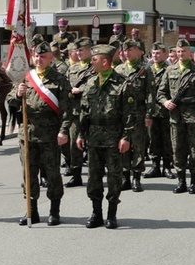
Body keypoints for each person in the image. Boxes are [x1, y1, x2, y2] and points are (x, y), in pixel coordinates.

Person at [6, 41, 72, 226]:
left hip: (49, 135)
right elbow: (10, 101)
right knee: (29, 173)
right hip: (27, 134)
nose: (39, 59)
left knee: (52, 173)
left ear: (51, 58)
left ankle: (54, 211)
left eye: (43, 56)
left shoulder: (59, 80)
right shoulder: (26, 78)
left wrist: (64, 131)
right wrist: (18, 94)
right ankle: (31, 210)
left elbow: (67, 110)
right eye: (36, 56)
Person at [77, 44, 135, 229]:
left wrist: (126, 137)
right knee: (94, 177)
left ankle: (111, 214)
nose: (91, 62)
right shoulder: (91, 82)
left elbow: (129, 114)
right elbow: (84, 111)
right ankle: (96, 213)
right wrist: (80, 134)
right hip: (94, 137)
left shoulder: (123, 83)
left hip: (114, 137)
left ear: (104, 61)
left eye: (94, 59)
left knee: (114, 177)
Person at [156, 39, 195, 194]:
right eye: (178, 51)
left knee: (193, 150)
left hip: (192, 116)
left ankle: (194, 181)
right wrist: (166, 103)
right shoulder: (169, 70)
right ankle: (181, 181)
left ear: (189, 53)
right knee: (177, 149)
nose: (180, 54)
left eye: (183, 51)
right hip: (175, 116)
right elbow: (160, 93)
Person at [115, 38, 154, 192]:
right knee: (123, 144)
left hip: (139, 112)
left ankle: (136, 176)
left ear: (138, 51)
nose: (127, 53)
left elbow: (151, 93)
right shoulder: (119, 70)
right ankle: (125, 176)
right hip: (123, 114)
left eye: (130, 50)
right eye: (125, 50)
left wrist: (149, 114)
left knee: (138, 145)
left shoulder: (145, 69)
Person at [65, 37, 95, 187]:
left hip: (91, 111)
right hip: (75, 112)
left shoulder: (95, 67)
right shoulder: (73, 68)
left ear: (89, 50)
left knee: (91, 144)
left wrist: (80, 90)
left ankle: (94, 175)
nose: (78, 53)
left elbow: (98, 86)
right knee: (74, 145)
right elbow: (65, 86)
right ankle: (76, 174)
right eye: (77, 50)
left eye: (81, 50)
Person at [145, 42, 175, 179]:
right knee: (154, 140)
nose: (155, 56)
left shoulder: (171, 69)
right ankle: (155, 166)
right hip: (152, 110)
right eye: (153, 53)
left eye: (158, 53)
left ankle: (167, 167)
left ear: (165, 54)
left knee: (167, 139)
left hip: (166, 110)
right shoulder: (148, 69)